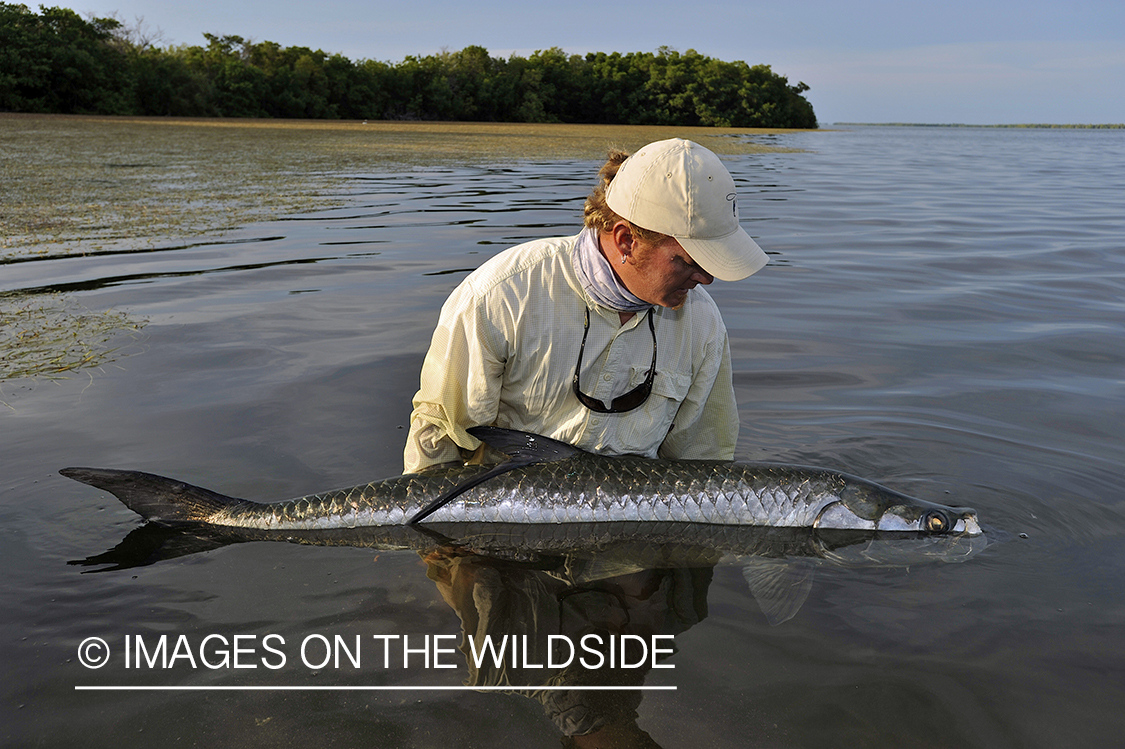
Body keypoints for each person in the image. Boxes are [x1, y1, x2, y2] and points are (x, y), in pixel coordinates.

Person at [403, 138, 768, 474]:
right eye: (689, 261)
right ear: (627, 240)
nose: (706, 279)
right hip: (500, 521)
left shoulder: (703, 324)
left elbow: (704, 461)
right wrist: (443, 548)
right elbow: (441, 435)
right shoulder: (501, 296)